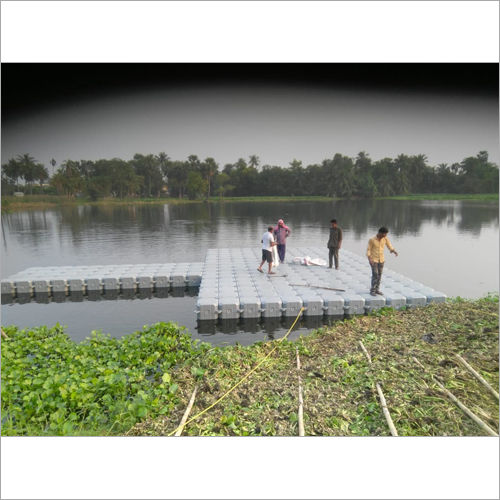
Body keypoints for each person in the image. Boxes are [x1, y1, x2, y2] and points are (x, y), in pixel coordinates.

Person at [366, 226, 398, 296]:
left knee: (379, 275)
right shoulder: (372, 240)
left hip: (381, 260)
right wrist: (369, 258)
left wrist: (393, 251)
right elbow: (368, 250)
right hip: (373, 260)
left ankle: (377, 289)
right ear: (380, 233)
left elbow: (389, 246)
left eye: (386, 234)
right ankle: (372, 290)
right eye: (384, 234)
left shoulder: (385, 239)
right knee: (375, 274)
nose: (385, 236)